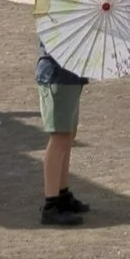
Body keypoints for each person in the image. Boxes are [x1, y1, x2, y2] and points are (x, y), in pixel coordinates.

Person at [36, 18, 91, 227]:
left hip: (70, 70)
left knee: (67, 135)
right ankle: (51, 203)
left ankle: (62, 193)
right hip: (57, 70)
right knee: (59, 137)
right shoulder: (55, 3)